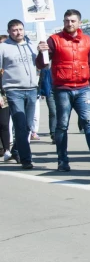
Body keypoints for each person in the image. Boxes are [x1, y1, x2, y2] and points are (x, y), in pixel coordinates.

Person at [36, 10, 90, 172]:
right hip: (62, 89)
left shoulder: (86, 40)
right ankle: (62, 161)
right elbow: (41, 65)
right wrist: (40, 51)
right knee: (62, 125)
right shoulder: (54, 40)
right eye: (66, 21)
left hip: (84, 88)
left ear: (79, 23)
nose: (69, 24)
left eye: (72, 21)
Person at [0, 20, 40, 169]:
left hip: (31, 89)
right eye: (15, 30)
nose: (18, 32)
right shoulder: (3, 47)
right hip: (13, 90)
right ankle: (26, 159)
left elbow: (42, 65)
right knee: (20, 125)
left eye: (20, 29)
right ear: (9, 31)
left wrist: (43, 52)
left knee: (28, 126)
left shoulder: (31, 46)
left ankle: (16, 150)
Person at [38, 64, 56, 143]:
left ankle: (60, 132)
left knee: (62, 112)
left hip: (61, 89)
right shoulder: (46, 61)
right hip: (50, 90)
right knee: (53, 111)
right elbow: (42, 77)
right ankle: (54, 134)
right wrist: (41, 90)